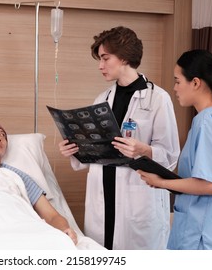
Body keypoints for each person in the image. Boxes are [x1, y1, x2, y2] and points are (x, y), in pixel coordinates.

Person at [58, 26, 180, 249]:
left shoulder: (157, 99)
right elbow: (94, 152)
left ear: (123, 57)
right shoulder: (101, 99)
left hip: (138, 198)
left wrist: (143, 150)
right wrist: (75, 149)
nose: (100, 66)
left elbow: (170, 156)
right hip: (103, 196)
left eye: (105, 58)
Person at [138, 49, 212, 249]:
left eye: (178, 81)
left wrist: (161, 182)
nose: (175, 88)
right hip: (211, 231)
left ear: (195, 83)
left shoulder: (207, 121)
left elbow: (211, 185)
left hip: (203, 237)